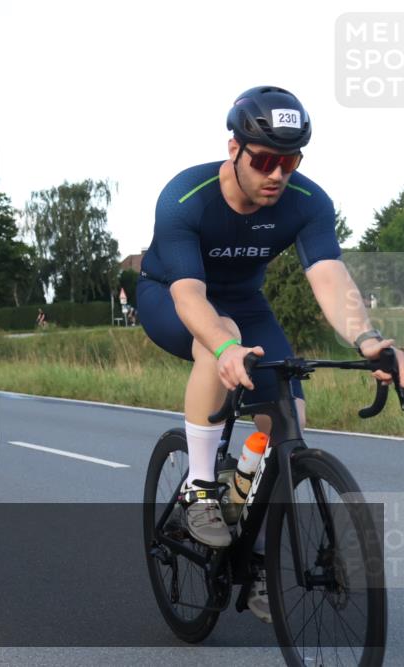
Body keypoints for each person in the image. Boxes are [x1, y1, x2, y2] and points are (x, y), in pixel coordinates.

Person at [138, 85, 404, 623]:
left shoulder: (307, 203)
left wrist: (370, 340)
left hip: (245, 303)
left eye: (290, 160)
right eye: (264, 160)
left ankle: (255, 553)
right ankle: (199, 489)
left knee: (288, 419)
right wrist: (225, 346)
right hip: (172, 296)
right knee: (222, 339)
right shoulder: (184, 197)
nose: (277, 174)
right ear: (233, 149)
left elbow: (328, 275)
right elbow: (191, 295)